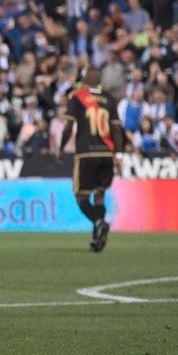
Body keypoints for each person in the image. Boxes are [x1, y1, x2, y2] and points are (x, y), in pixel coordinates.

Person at [57, 68, 125, 253]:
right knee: (100, 195)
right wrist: (118, 156)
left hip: (87, 153)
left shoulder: (77, 96)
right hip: (107, 154)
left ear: (86, 79)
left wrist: (61, 148)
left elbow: (69, 126)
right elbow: (117, 130)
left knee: (81, 196)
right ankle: (97, 240)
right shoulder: (109, 99)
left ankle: (98, 222)